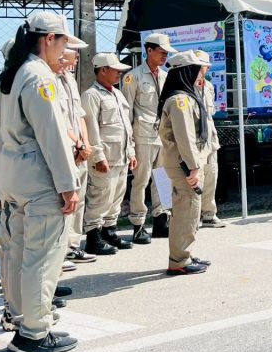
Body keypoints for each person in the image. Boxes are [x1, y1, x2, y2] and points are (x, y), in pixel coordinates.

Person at [0, 12, 82, 352]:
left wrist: (1, 186)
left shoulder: (12, 74)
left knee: (18, 255)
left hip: (13, 180)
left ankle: (20, 320)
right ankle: (34, 333)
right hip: (39, 182)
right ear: (49, 39)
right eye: (63, 42)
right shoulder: (39, 76)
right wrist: (68, 185)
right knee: (42, 258)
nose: (65, 50)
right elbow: (52, 135)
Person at [158, 50, 214, 275]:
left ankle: (185, 253)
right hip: (184, 163)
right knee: (186, 209)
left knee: (189, 208)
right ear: (187, 72)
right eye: (197, 70)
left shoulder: (185, 97)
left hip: (187, 162)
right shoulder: (180, 100)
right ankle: (179, 260)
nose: (201, 74)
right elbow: (185, 138)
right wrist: (193, 167)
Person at [81, 53, 137, 255]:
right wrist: (97, 157)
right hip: (105, 157)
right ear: (102, 70)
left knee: (116, 197)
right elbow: (91, 128)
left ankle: (109, 232)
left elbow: (126, 126)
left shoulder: (117, 94)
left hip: (120, 156)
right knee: (100, 196)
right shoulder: (91, 95)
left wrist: (131, 151)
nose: (119, 73)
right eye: (116, 70)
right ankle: (93, 238)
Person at [123, 32, 176, 239]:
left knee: (163, 178)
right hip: (142, 136)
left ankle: (161, 219)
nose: (164, 56)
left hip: (162, 136)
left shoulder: (166, 76)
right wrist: (129, 143)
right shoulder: (133, 76)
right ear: (149, 50)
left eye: (166, 53)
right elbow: (126, 112)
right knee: (141, 180)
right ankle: (138, 224)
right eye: (161, 52)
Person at [55, 47, 96, 265]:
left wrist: (86, 143)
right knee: (63, 202)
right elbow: (58, 121)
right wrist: (78, 144)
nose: (78, 56)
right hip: (66, 149)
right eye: (74, 51)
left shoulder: (70, 79)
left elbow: (79, 115)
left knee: (78, 201)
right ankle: (59, 251)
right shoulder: (50, 79)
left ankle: (72, 246)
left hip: (80, 149)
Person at [193, 50, 225, 228]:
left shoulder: (210, 87)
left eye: (202, 66)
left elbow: (210, 114)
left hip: (210, 138)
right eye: (196, 66)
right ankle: (194, 216)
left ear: (207, 68)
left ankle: (209, 214)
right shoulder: (187, 88)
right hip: (195, 139)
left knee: (212, 174)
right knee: (198, 178)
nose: (199, 69)